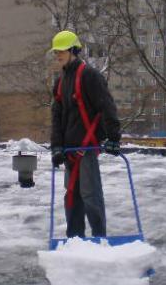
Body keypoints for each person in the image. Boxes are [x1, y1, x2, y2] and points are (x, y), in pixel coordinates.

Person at [50, 30, 121, 238]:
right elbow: (57, 117)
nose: (58, 55)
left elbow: (107, 106)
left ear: (73, 50)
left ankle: (99, 238)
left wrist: (113, 138)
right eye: (56, 52)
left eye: (61, 51)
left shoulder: (89, 76)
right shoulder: (60, 82)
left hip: (87, 146)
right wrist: (56, 146)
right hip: (69, 150)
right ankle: (75, 240)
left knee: (90, 195)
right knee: (72, 195)